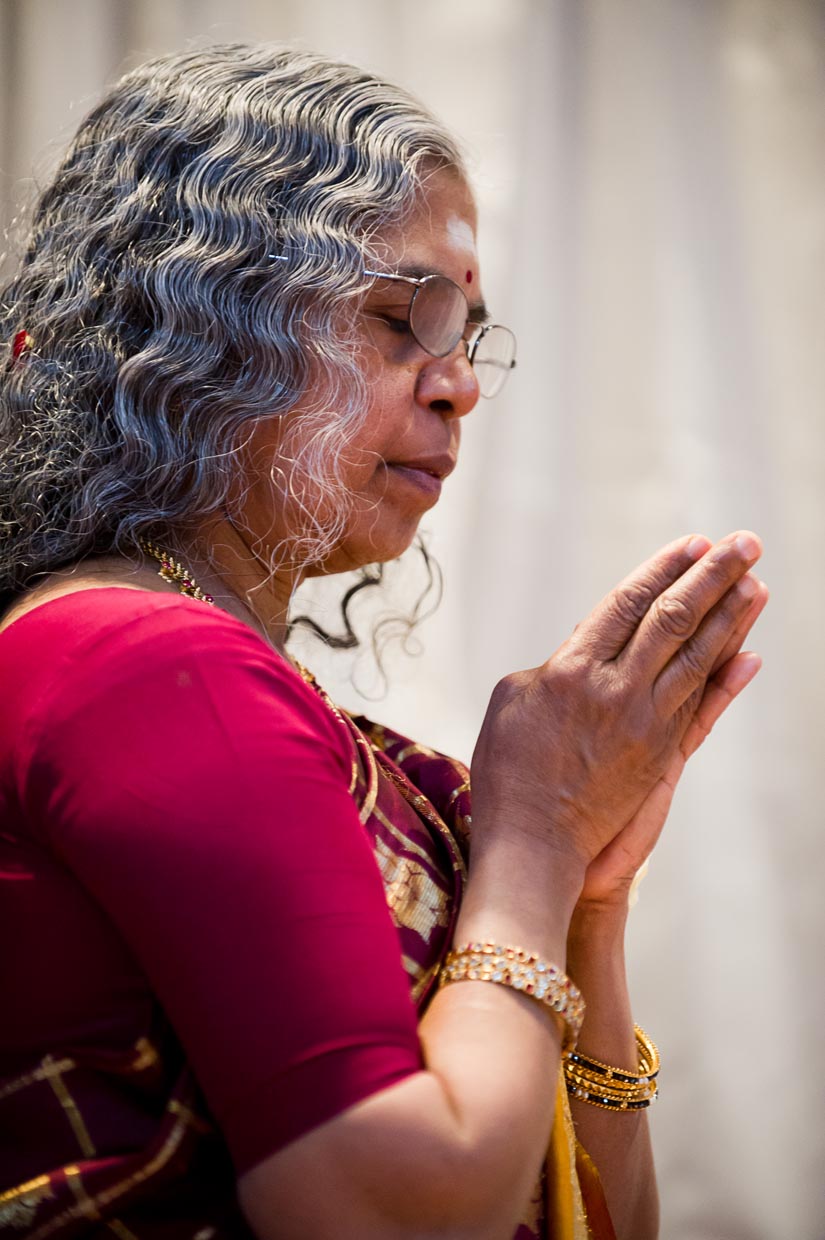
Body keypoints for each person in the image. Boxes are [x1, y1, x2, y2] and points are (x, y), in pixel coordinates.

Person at [0, 44, 766, 1240]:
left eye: (470, 332)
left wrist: (587, 898)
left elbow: (605, 1216)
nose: (458, 383)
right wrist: (532, 839)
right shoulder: (140, 665)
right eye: (409, 316)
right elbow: (388, 1212)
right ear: (209, 313)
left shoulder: (259, 700)